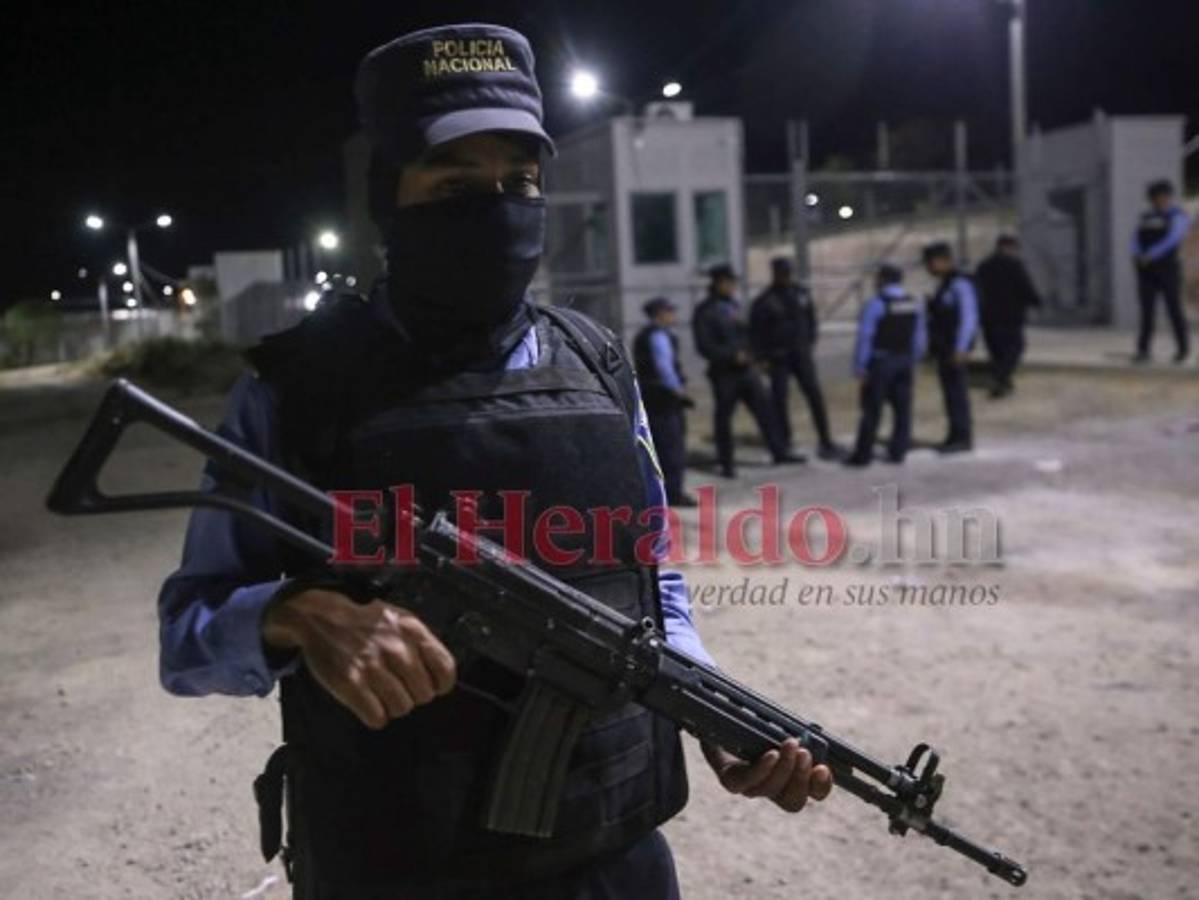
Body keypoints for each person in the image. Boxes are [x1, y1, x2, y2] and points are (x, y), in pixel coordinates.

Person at [156, 24, 830, 900]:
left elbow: (649, 577)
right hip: (399, 865)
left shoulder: (597, 365)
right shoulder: (299, 390)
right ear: (389, 202)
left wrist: (710, 709)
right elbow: (186, 637)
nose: (497, 208)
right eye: (455, 185)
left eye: (519, 183)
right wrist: (296, 613)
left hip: (615, 857)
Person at [692, 263, 801, 478]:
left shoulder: (733, 306)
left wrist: (757, 357)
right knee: (724, 418)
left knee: (766, 410)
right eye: (729, 282)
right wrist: (731, 356)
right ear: (719, 283)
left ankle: (779, 451)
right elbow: (705, 346)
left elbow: (748, 334)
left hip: (747, 371)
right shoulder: (705, 312)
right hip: (725, 373)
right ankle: (727, 463)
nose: (733, 286)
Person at [749, 257, 843, 460]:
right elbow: (756, 333)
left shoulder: (801, 294)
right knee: (779, 400)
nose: (786, 277)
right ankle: (784, 441)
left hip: (801, 356)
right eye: (782, 273)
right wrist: (761, 358)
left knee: (815, 396)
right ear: (774, 274)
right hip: (778, 358)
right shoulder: (765, 301)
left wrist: (808, 344)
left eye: (788, 273)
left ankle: (825, 441)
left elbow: (811, 322)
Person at [844, 264, 926, 467]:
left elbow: (866, 337)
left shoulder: (876, 303)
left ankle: (863, 455)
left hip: (881, 362)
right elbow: (920, 336)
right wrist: (913, 358)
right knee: (902, 409)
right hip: (904, 360)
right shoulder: (913, 303)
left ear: (883, 280)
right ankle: (898, 451)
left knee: (872, 409)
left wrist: (860, 366)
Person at [632, 296, 696, 507]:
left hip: (653, 398)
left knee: (658, 446)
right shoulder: (658, 336)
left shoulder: (648, 335)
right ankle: (673, 493)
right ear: (660, 313)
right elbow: (664, 368)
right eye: (669, 311)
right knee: (671, 448)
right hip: (664, 399)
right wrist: (679, 391)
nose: (673, 315)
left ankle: (660, 493)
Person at [922, 241, 979, 454]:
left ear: (943, 261)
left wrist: (962, 347)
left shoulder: (959, 284)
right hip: (944, 347)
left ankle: (963, 436)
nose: (928, 268)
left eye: (930, 263)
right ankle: (954, 434)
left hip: (954, 348)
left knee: (957, 393)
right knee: (949, 393)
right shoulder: (945, 284)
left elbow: (968, 317)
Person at [974, 234, 1041, 397]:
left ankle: (1003, 382)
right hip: (1010, 316)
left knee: (997, 351)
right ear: (1007, 247)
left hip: (988, 317)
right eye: (1013, 248)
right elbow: (1024, 286)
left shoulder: (983, 266)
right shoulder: (1014, 265)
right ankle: (1000, 378)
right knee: (1015, 348)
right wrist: (1036, 302)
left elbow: (976, 290)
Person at [1132, 179, 1191, 363]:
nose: (1161, 200)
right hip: (1146, 271)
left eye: (1164, 197)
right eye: (1157, 197)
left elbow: (1173, 240)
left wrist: (1150, 254)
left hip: (1168, 270)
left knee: (1174, 310)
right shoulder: (1146, 217)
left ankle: (1182, 350)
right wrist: (1137, 254)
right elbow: (1134, 239)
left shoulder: (1178, 216)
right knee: (1147, 312)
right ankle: (1143, 350)